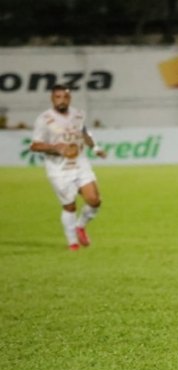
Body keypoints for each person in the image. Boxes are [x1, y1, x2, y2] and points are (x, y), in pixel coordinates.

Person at [30, 84, 107, 251]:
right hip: (59, 170)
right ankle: (72, 243)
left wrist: (95, 148)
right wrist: (56, 148)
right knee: (70, 206)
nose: (61, 100)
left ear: (69, 98)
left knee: (95, 200)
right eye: (58, 97)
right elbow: (35, 146)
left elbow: (85, 133)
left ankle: (80, 226)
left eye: (65, 97)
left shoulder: (78, 115)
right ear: (52, 98)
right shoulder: (44, 119)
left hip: (80, 165)